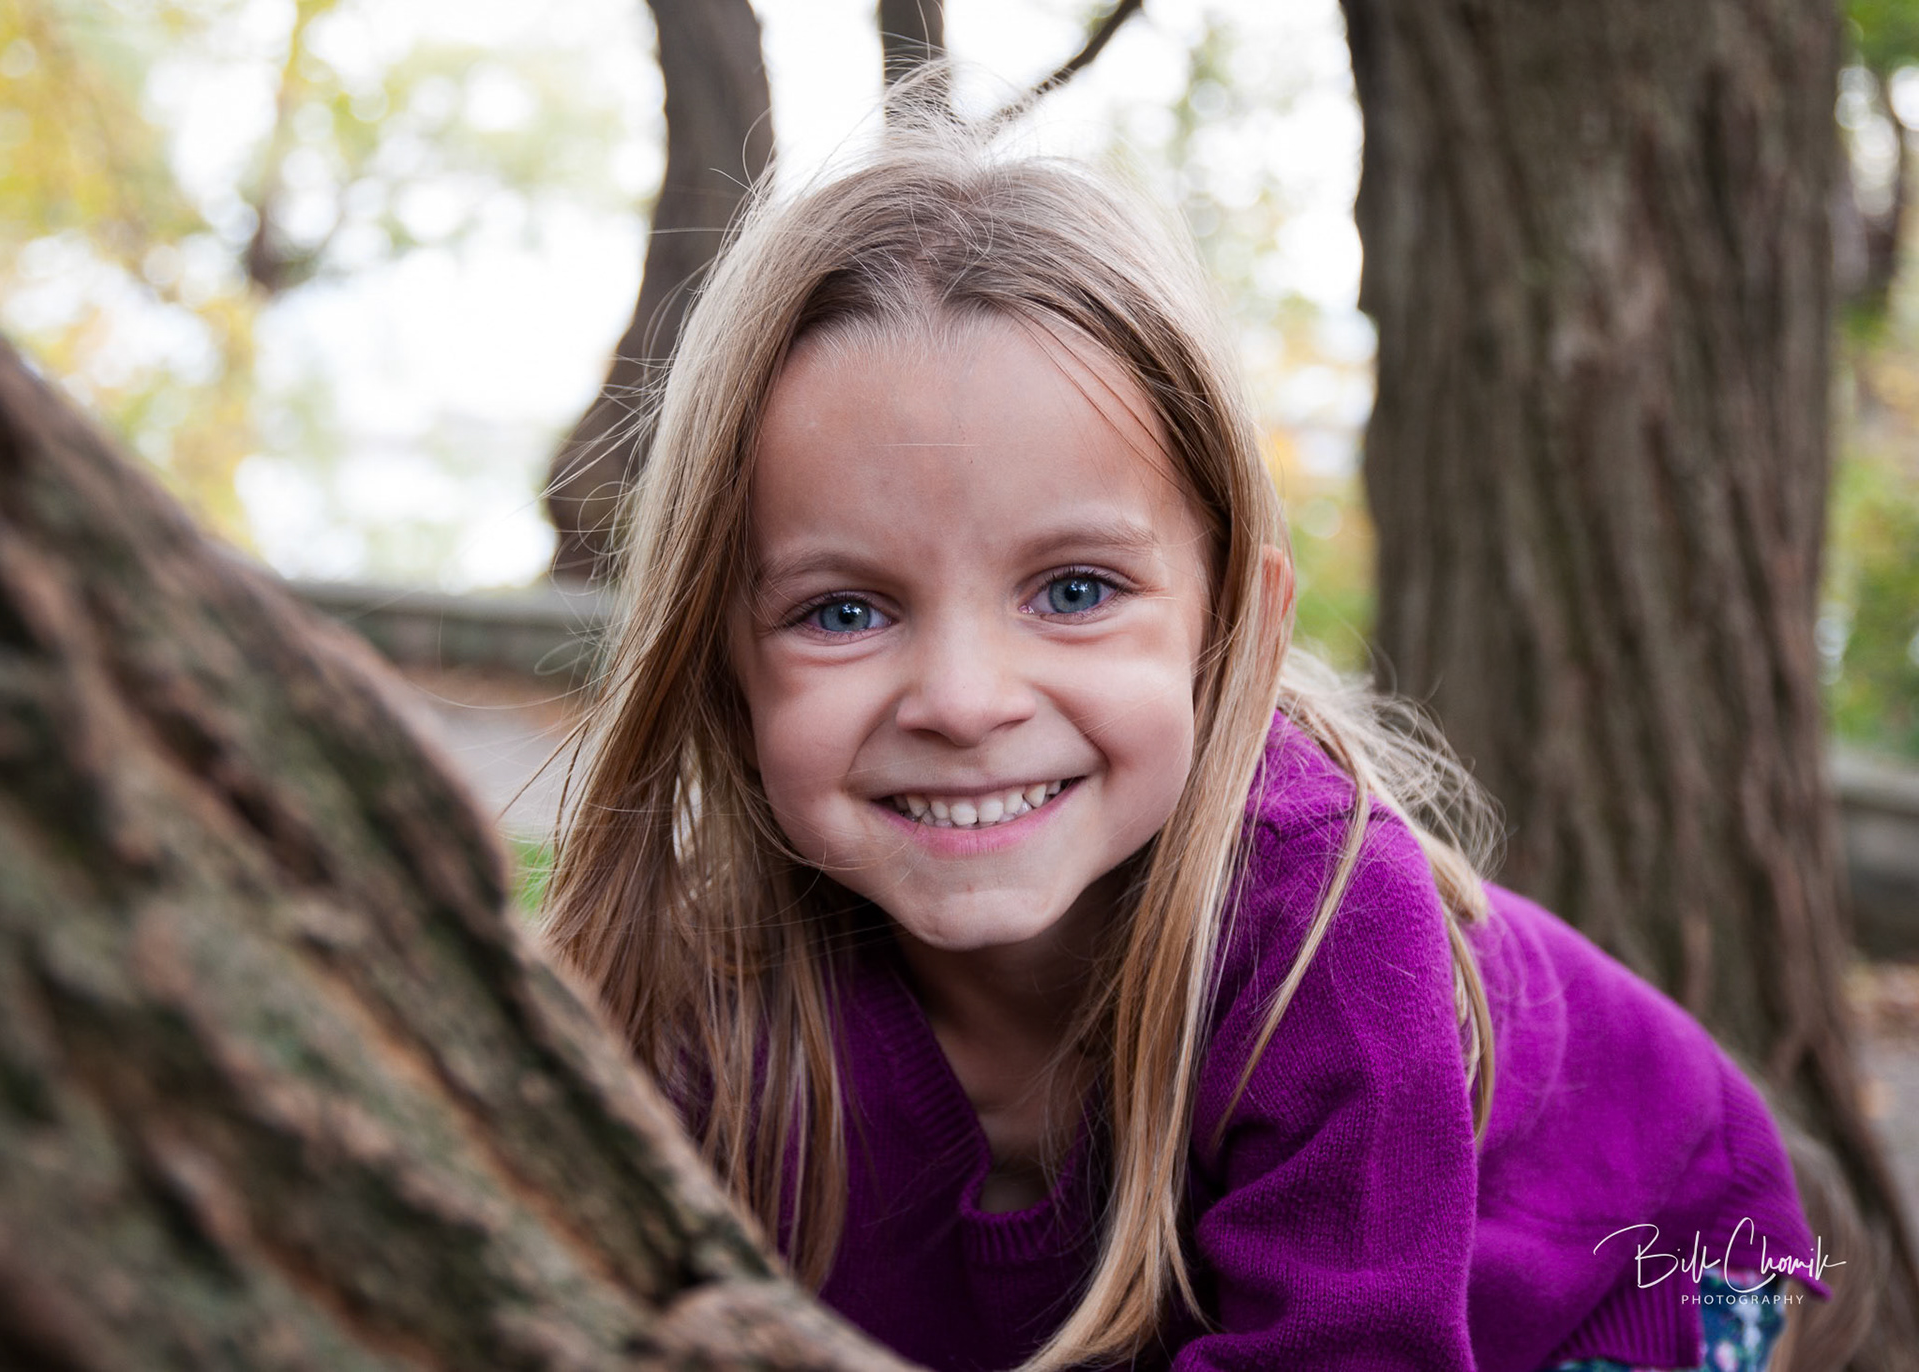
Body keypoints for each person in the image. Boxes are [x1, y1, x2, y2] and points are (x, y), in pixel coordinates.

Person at [539, 115, 1829, 1372]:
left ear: (1237, 629)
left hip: (1631, 1267)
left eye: (1077, 591)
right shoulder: (705, 1006)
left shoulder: (1324, 922)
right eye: (845, 611)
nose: (966, 699)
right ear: (721, 659)